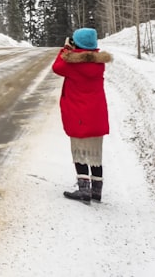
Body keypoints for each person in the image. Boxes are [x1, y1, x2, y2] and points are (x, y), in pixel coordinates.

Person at [51, 27, 113, 204]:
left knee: (79, 151)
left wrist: (65, 50)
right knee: (95, 154)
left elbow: (57, 67)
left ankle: (84, 190)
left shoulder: (73, 64)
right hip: (96, 115)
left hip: (78, 115)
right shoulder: (99, 63)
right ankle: (96, 191)